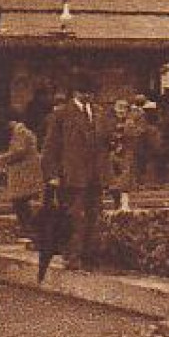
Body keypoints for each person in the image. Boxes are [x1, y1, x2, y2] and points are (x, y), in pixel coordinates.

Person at [40, 72, 110, 270]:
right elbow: (50, 147)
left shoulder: (97, 112)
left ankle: (89, 255)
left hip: (95, 175)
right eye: (85, 92)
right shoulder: (61, 114)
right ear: (76, 92)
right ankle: (72, 256)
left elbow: (104, 144)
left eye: (91, 93)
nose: (89, 96)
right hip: (72, 175)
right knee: (74, 217)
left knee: (94, 215)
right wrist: (52, 174)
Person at [0, 119, 43, 243]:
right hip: (23, 172)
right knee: (21, 201)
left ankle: (30, 230)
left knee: (20, 201)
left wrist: (0, 158)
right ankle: (29, 230)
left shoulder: (21, 132)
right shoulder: (22, 132)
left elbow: (18, 152)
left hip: (23, 173)